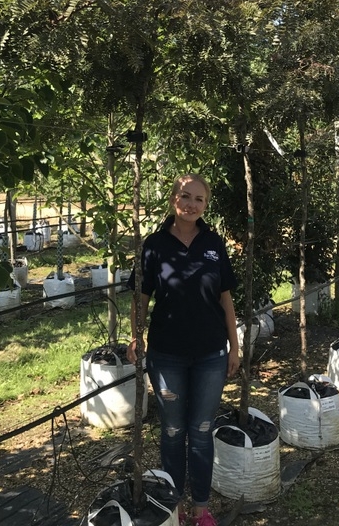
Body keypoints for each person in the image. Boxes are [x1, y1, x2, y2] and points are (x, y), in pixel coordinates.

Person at [127, 173, 239, 526]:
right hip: (167, 355)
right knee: (173, 431)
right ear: (173, 199)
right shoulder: (154, 245)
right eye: (185, 196)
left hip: (210, 354)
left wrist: (234, 347)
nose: (191, 204)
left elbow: (226, 299)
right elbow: (140, 299)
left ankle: (202, 509)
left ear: (205, 206)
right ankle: (172, 507)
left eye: (199, 199)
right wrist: (136, 336)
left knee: (202, 430)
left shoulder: (213, 243)